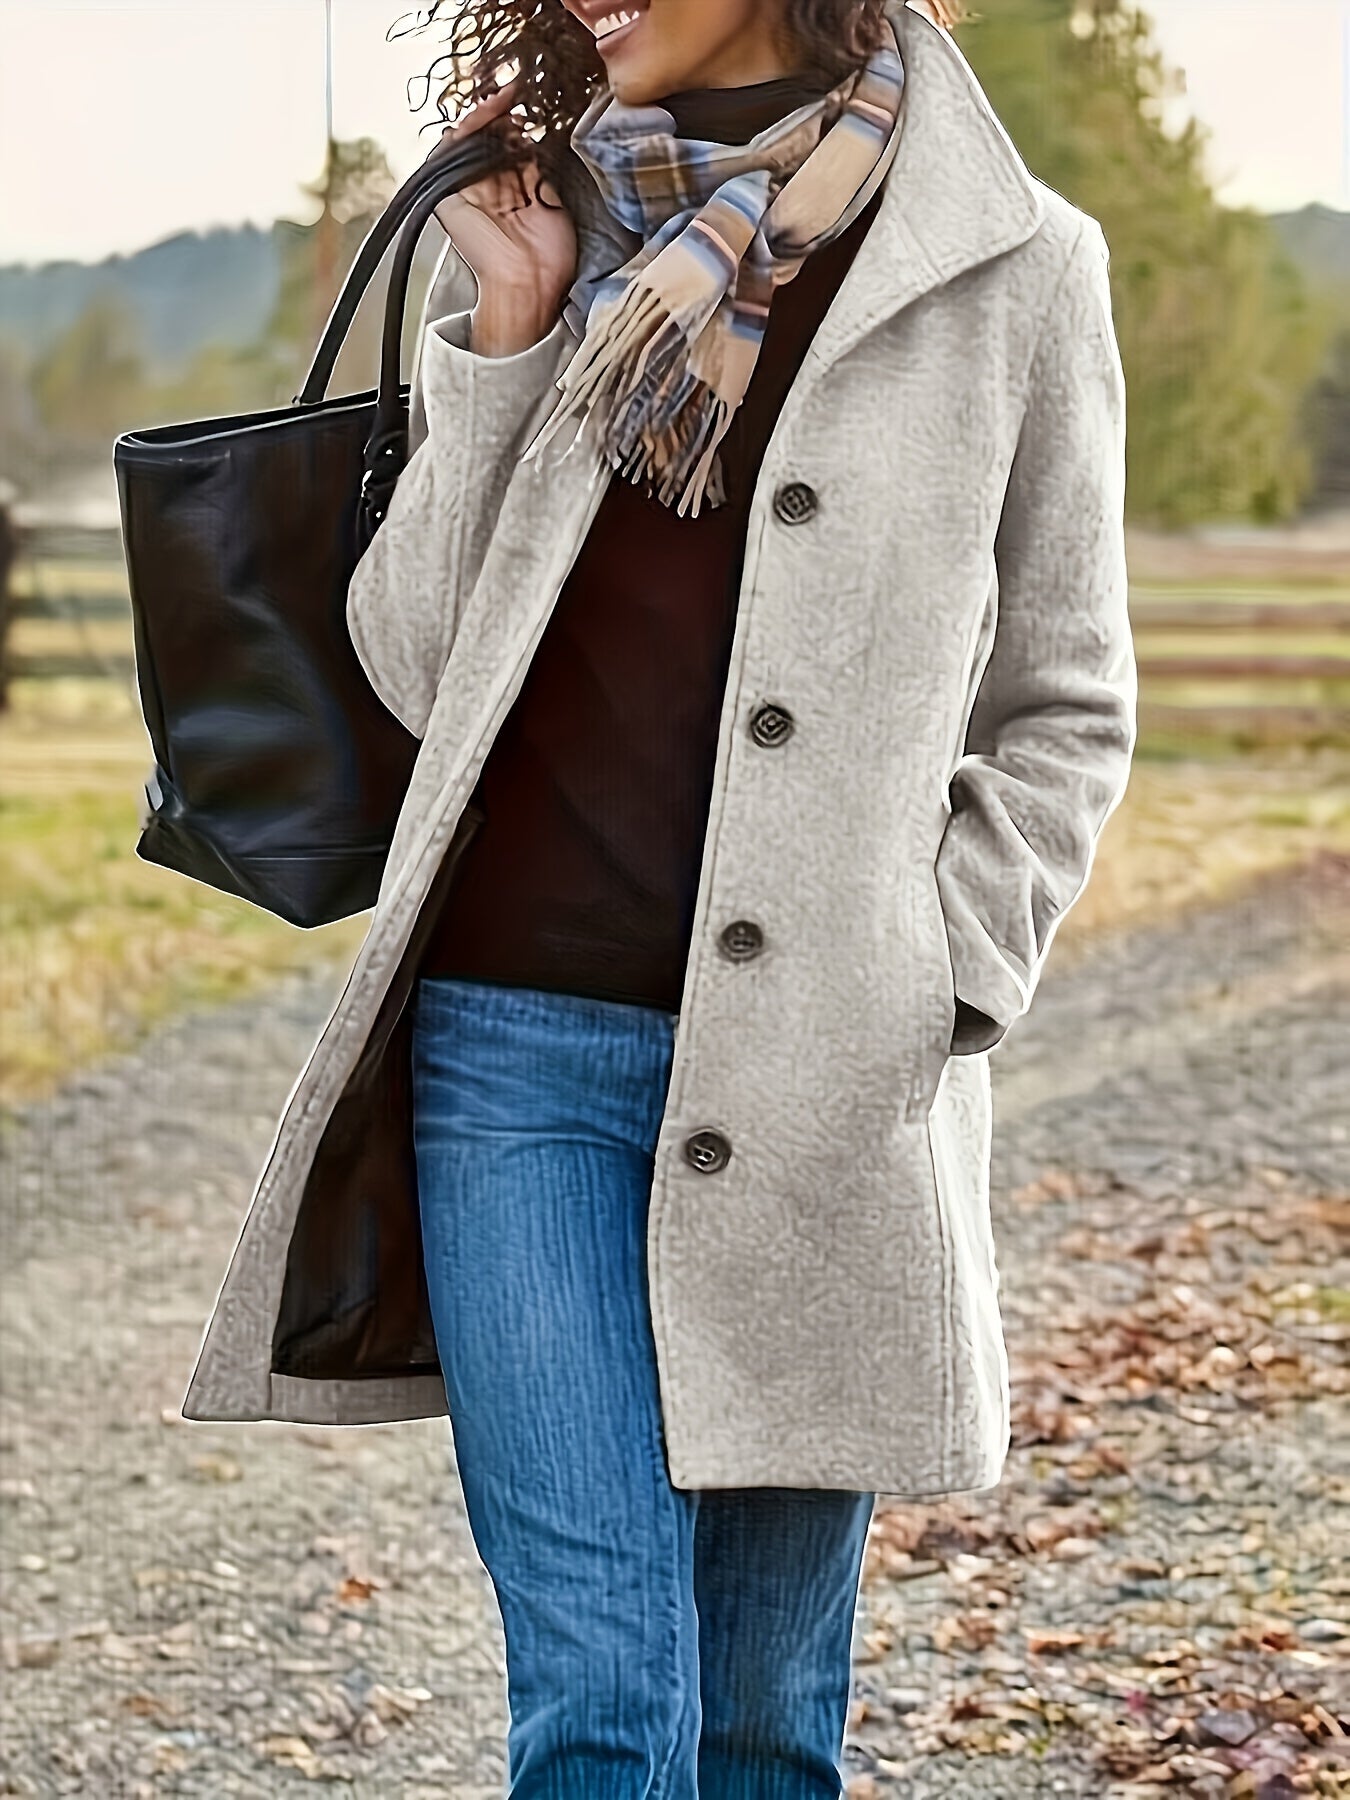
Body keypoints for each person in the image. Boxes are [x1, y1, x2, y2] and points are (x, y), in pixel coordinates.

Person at [180, 2, 1137, 1795]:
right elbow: (405, 666)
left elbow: (1065, 700)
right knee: (605, 1702)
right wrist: (517, 324)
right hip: (508, 1065)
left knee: (767, 1724)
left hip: (821, 1086)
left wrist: (936, 978)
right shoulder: (561, 227)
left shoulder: (1011, 266)